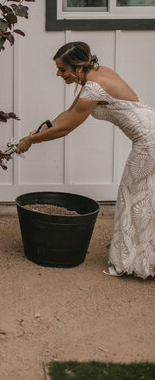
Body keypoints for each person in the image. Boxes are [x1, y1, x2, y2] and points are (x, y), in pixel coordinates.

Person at [16, 41, 155, 279]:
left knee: (133, 197)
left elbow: (66, 128)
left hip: (149, 142)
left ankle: (127, 264)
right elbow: (68, 114)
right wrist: (38, 131)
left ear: (78, 68)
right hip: (151, 133)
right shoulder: (97, 74)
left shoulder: (93, 89)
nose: (58, 74)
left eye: (62, 69)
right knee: (143, 196)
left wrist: (32, 142)